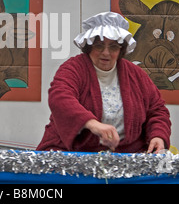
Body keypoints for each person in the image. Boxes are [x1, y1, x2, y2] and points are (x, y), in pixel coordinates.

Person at [36, 12, 171, 154]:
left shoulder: (136, 75)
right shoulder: (73, 68)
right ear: (89, 47)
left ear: (121, 50)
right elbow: (60, 97)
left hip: (127, 155)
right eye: (99, 46)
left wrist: (158, 135)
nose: (106, 53)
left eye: (113, 47)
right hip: (74, 151)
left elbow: (157, 110)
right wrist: (92, 124)